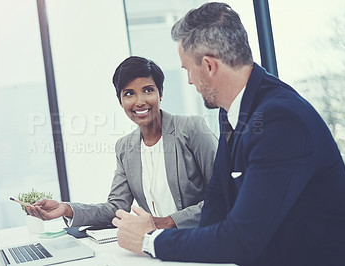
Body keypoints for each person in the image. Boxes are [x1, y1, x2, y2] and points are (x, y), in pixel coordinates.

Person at [112, 2, 345, 266]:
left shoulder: (280, 119)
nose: (189, 81)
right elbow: (217, 203)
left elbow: (242, 239)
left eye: (188, 69)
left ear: (209, 66)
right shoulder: (232, 111)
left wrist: (149, 241)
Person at [27, 56, 218, 229]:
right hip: (158, 245)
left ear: (160, 93)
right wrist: (66, 208)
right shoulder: (125, 148)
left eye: (148, 90)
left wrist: (169, 222)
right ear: (120, 101)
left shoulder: (192, 129)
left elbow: (225, 194)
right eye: (129, 94)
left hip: (201, 238)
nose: (140, 101)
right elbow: (116, 207)